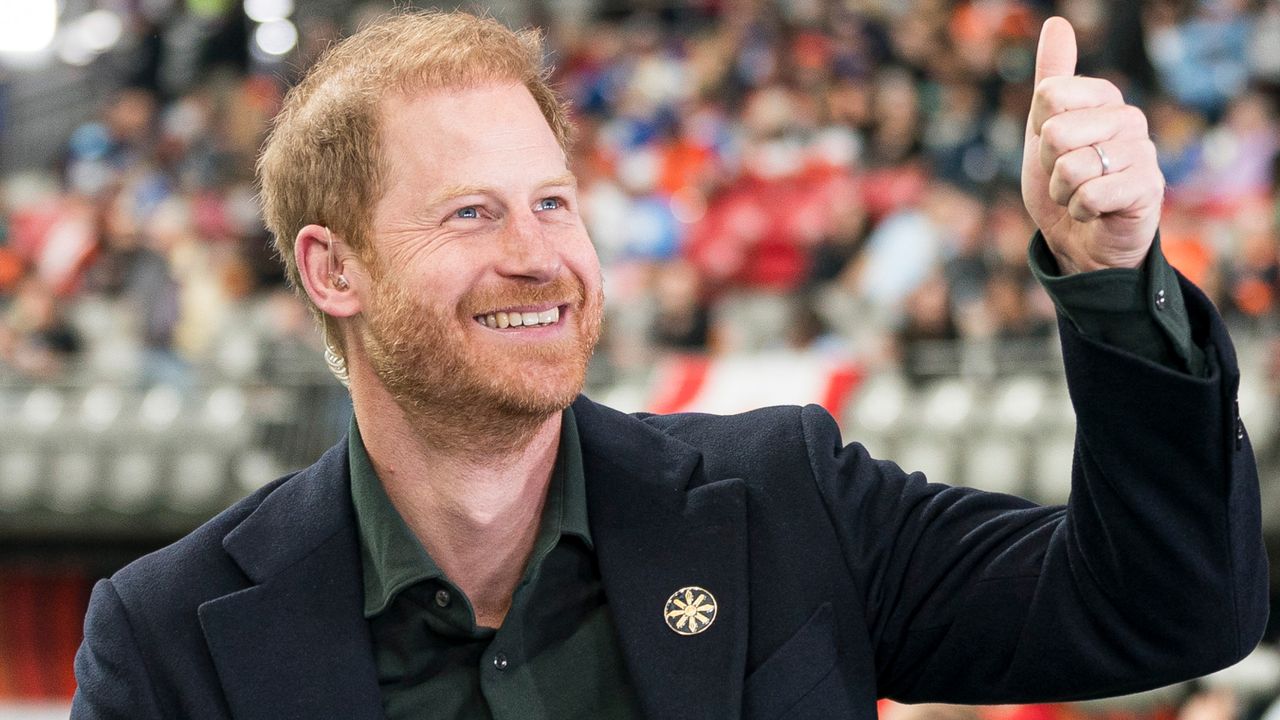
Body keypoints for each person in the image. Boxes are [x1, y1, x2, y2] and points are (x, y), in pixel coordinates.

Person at [71, 10, 1267, 720]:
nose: (541, 257)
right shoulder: (169, 637)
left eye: (554, 201)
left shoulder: (787, 501)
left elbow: (1165, 612)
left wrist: (1111, 281)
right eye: (473, 215)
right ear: (332, 271)